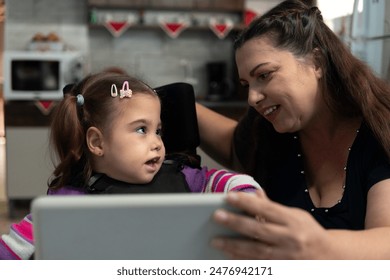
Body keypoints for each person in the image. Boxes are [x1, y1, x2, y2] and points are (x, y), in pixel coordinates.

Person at [195, 0, 390, 259]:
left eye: (264, 75)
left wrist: (322, 246)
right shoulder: (270, 133)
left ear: (316, 62)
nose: (252, 98)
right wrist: (166, 99)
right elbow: (234, 146)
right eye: (247, 83)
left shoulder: (380, 130)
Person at [0, 71, 261, 260]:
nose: (157, 143)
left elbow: (230, 181)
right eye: (141, 130)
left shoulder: (184, 177)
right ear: (96, 142)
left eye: (157, 131)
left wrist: (248, 197)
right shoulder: (69, 203)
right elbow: (11, 250)